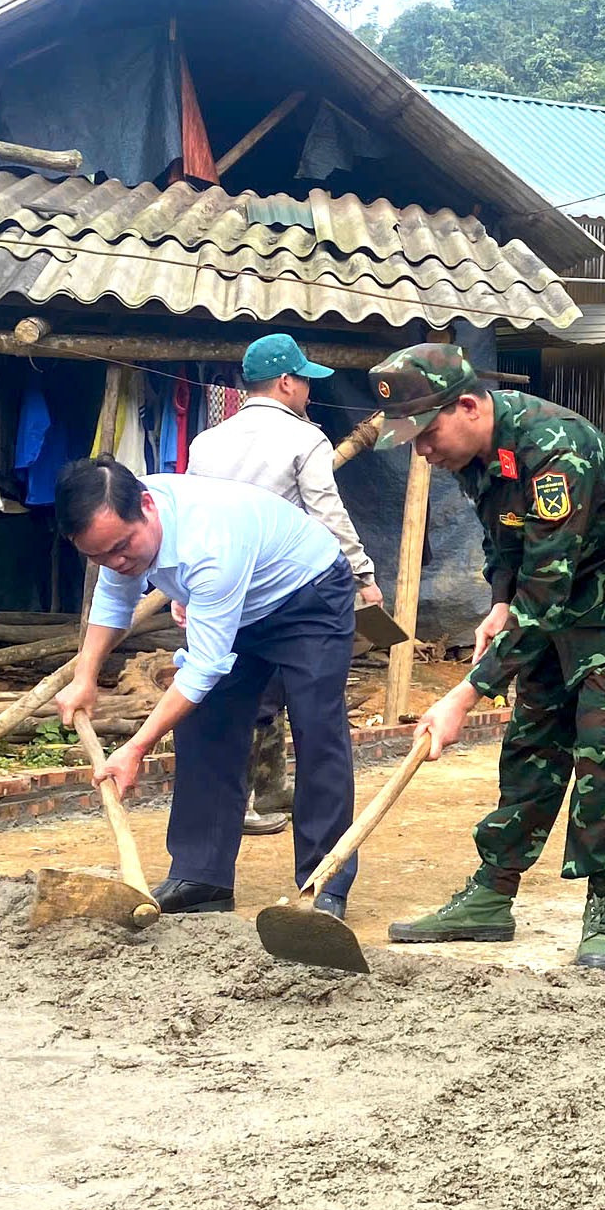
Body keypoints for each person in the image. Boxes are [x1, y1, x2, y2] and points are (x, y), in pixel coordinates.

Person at [373, 345, 605, 972]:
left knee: (597, 746)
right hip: (558, 597)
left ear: (467, 405)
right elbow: (505, 540)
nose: (422, 450)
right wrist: (496, 603)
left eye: (426, 431)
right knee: (532, 739)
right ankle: (491, 895)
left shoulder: (554, 449)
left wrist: (466, 692)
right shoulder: (475, 455)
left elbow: (546, 592)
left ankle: (604, 906)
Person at [52, 460, 359, 918]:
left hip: (307, 595)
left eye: (121, 548)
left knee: (317, 730)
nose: (116, 562)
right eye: (98, 557)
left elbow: (201, 670)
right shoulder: (118, 525)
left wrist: (135, 748)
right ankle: (202, 877)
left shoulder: (210, 544)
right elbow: (115, 595)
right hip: (242, 602)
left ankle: (323, 883)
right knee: (204, 726)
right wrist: (84, 677)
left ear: (147, 507)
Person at [186, 333, 381, 838]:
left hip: (230, 593)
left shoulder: (206, 442)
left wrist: (189, 592)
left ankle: (239, 816)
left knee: (231, 708)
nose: (309, 394)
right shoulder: (304, 438)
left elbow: (198, 520)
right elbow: (327, 512)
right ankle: (319, 858)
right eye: (304, 383)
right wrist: (363, 574)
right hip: (297, 594)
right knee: (318, 724)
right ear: (286, 383)